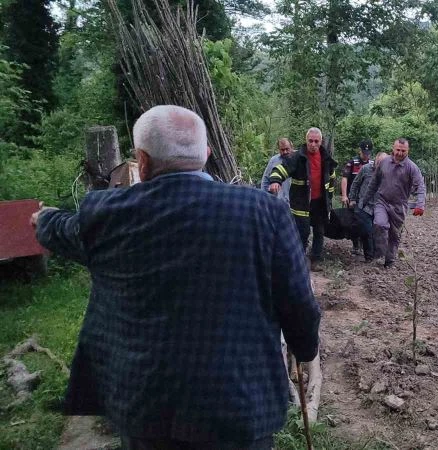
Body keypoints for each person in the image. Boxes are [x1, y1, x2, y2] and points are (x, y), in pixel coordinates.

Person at [30, 105, 321, 449]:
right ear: (207, 155)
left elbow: (60, 228)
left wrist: (43, 218)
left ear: (142, 160)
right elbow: (299, 303)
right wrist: (304, 348)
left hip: (146, 407)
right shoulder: (264, 211)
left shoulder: (107, 212)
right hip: (239, 405)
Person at [268, 127, 337, 269]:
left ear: (321, 141)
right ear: (306, 140)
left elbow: (331, 179)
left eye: (316, 141)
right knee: (302, 232)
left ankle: (315, 260)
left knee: (319, 231)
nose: (313, 144)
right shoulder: (297, 157)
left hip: (320, 202)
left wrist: (329, 200)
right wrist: (275, 181)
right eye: (310, 141)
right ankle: (297, 261)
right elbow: (281, 169)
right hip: (301, 203)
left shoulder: (326, 158)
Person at [362, 138, 426, 269]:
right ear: (393, 148)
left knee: (394, 235)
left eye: (403, 151)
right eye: (398, 150)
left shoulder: (412, 167)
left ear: (407, 151)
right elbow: (374, 182)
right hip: (382, 201)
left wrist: (420, 205)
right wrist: (365, 199)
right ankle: (380, 255)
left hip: (399, 205)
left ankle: (389, 261)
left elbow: (420, 186)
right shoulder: (384, 162)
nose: (400, 153)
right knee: (379, 224)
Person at [349, 151, 388, 263]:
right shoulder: (365, 169)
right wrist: (352, 199)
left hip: (379, 206)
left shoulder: (388, 172)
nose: (381, 166)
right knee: (366, 231)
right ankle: (369, 257)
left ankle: (378, 255)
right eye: (379, 163)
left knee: (378, 231)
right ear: (375, 160)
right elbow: (355, 184)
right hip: (364, 205)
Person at [340, 139, 373, 255]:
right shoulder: (352, 162)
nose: (366, 155)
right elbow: (344, 178)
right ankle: (355, 245)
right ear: (360, 151)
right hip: (353, 197)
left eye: (368, 153)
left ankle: (366, 247)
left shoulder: (372, 164)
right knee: (353, 222)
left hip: (365, 199)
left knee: (365, 224)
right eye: (364, 152)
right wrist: (344, 195)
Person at [260, 138, 294, 203]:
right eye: (282, 150)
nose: (285, 152)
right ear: (278, 150)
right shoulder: (274, 160)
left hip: (295, 202)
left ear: (292, 147)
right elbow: (265, 180)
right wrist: (263, 198)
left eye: (287, 149)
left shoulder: (299, 159)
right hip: (278, 201)